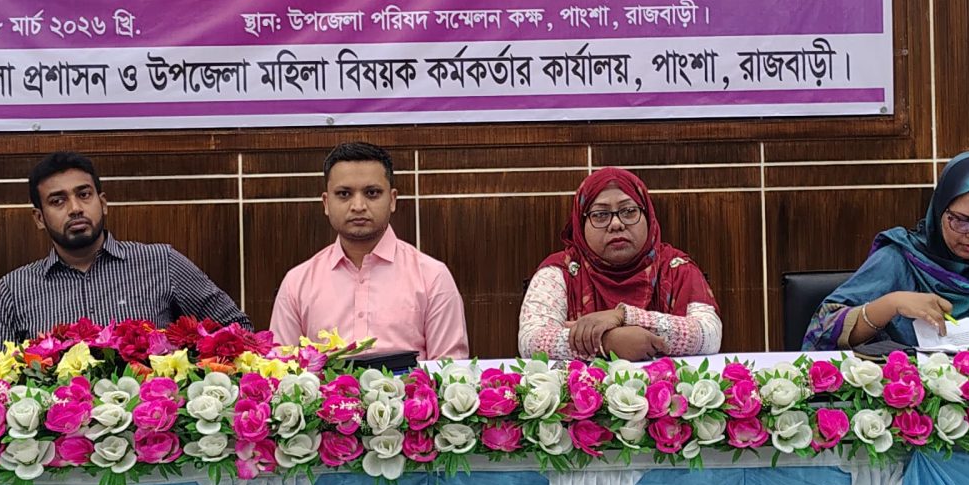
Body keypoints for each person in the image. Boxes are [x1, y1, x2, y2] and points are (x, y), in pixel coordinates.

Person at [804, 150, 969, 352]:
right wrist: (892, 304)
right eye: (961, 220)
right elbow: (823, 327)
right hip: (908, 394)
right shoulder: (901, 256)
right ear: (940, 210)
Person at [0, 151, 245, 346]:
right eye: (58, 201)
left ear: (103, 203)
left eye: (84, 195)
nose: (75, 208)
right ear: (39, 218)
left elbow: (237, 330)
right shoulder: (14, 290)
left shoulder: (162, 263)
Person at [269, 142, 468, 359]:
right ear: (326, 203)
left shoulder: (432, 278)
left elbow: (450, 371)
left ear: (392, 200)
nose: (358, 206)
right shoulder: (297, 284)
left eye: (372, 193)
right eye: (344, 194)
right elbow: (281, 369)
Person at [518, 167, 723, 359]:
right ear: (580, 224)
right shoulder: (560, 271)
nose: (616, 224)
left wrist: (623, 316)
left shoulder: (676, 268)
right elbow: (531, 341)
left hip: (668, 385)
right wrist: (607, 343)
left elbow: (709, 334)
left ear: (647, 215)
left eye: (629, 211)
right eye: (600, 215)